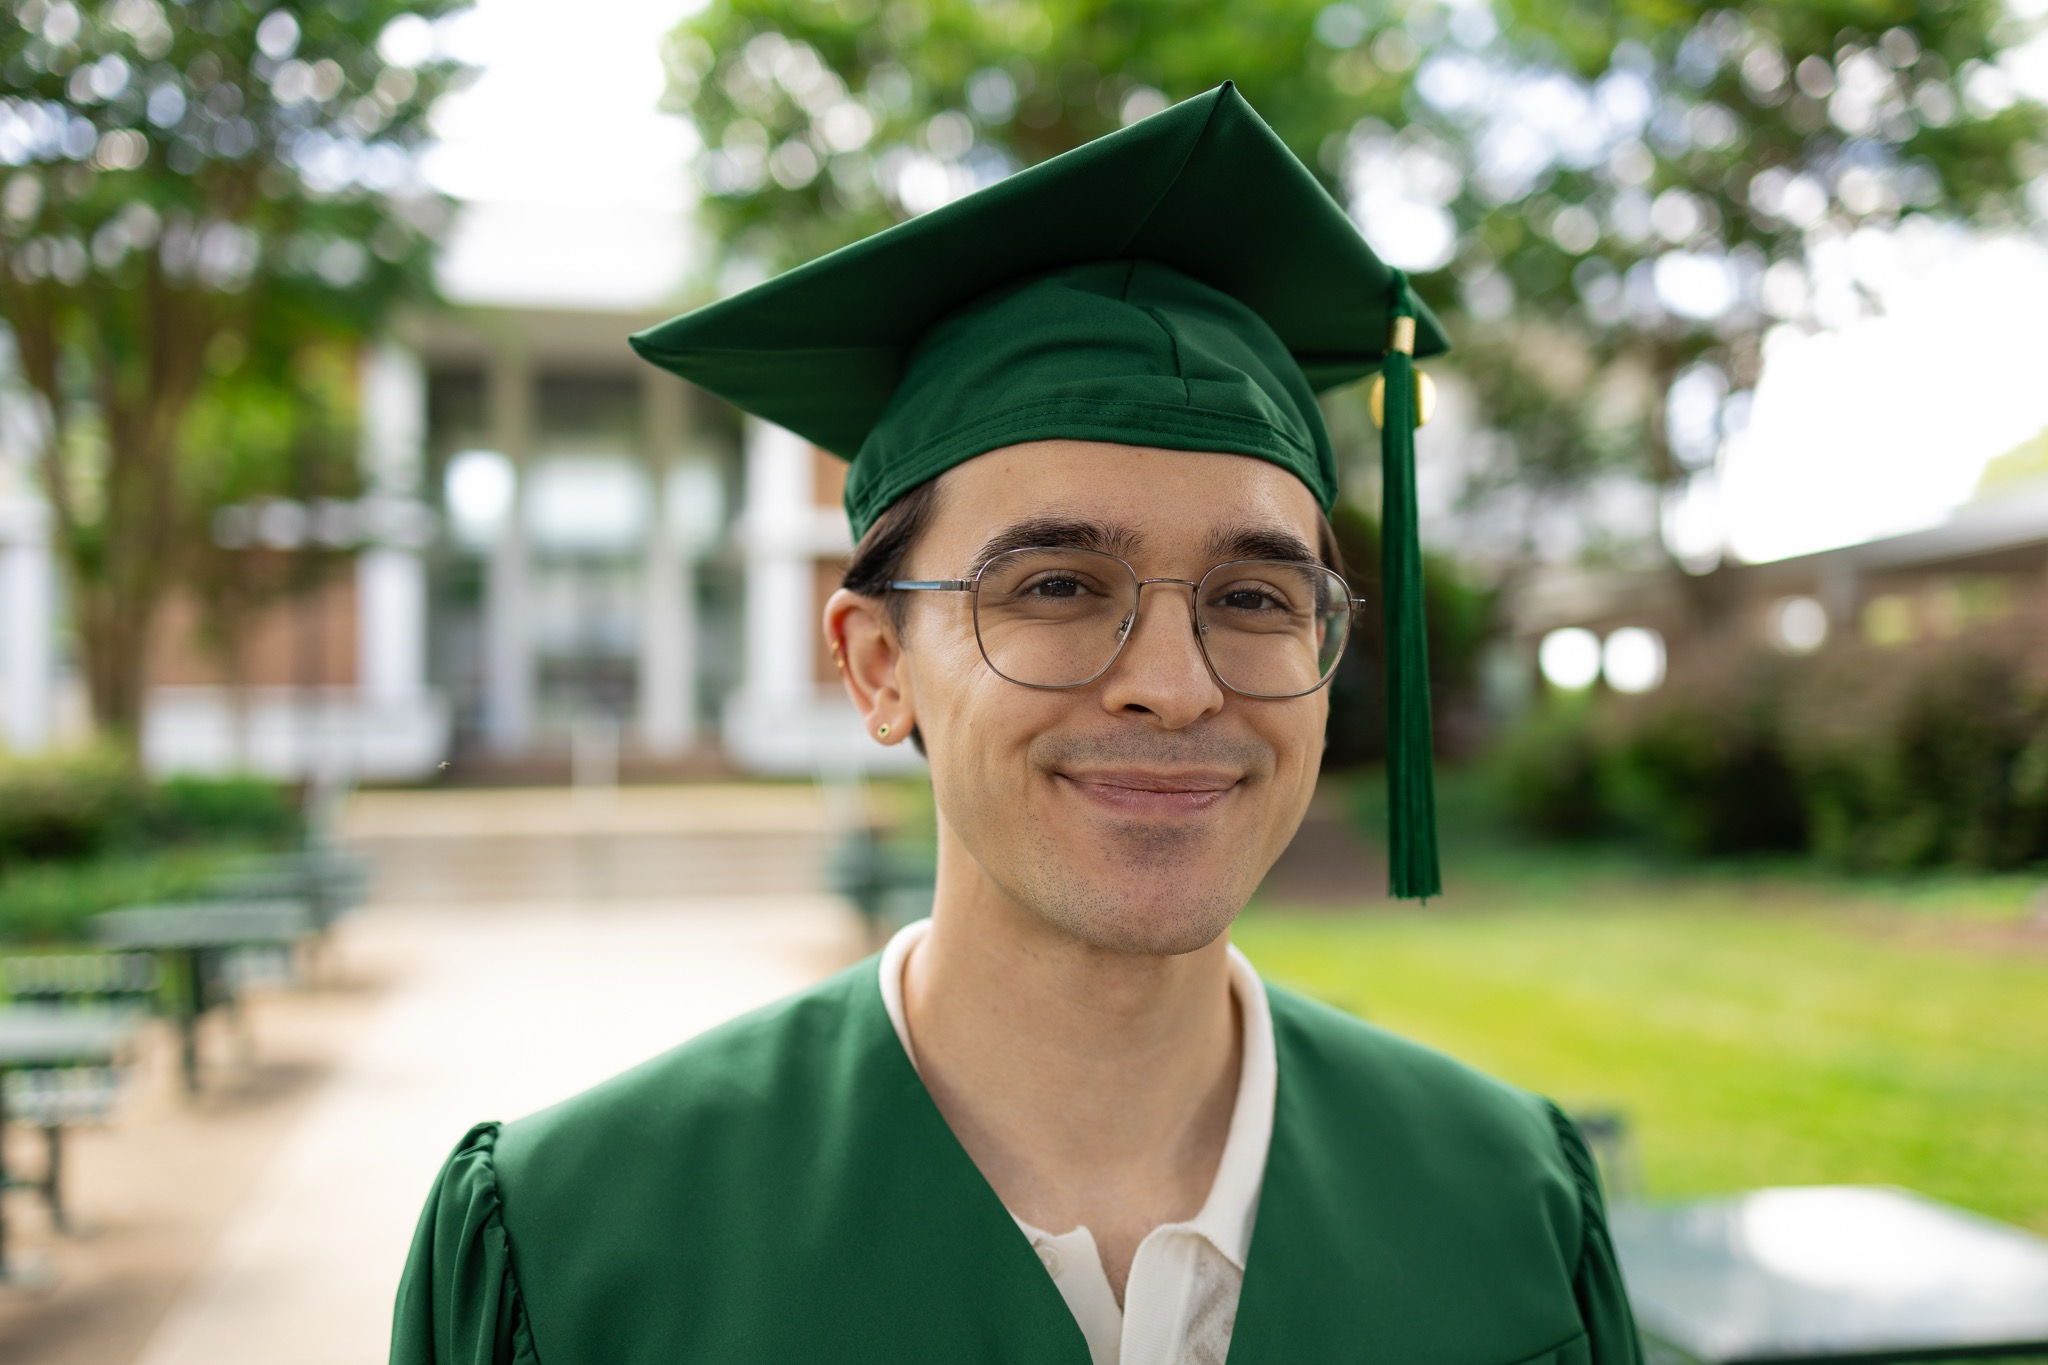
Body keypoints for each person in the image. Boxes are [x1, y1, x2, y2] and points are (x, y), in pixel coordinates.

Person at [390, 83, 1641, 1365]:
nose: (1178, 683)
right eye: (1054, 586)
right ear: (877, 666)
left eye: (1254, 597)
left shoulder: (1506, 1206)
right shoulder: (580, 1243)